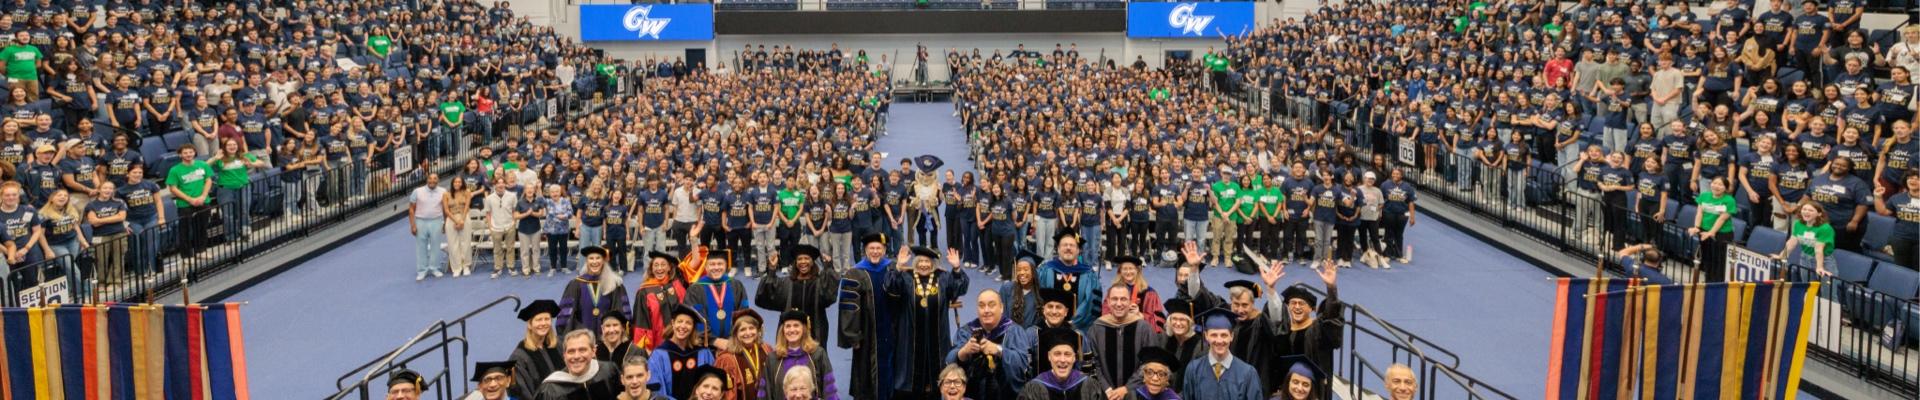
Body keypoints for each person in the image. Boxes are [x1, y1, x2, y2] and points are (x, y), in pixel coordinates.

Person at [1174, 241, 1290, 392]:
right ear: (1231, 301)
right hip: (1221, 382)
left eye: (1245, 305)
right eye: (1236, 304)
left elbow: (1277, 322)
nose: (1240, 309)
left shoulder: (1260, 323)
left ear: (1253, 303)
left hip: (1251, 384)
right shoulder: (1225, 313)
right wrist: (1194, 269)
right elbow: (1200, 296)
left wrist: (1271, 290)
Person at [884, 246, 972, 399]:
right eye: (920, 261)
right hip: (910, 336)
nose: (923, 264)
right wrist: (898, 266)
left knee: (937, 374)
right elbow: (891, 287)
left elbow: (961, 288)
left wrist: (957, 268)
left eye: (927, 261)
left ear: (933, 264)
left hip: (937, 336)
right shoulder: (906, 277)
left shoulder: (943, 278)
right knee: (909, 374)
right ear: (915, 262)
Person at [838, 233, 905, 400]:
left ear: (884, 250)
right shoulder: (854, 273)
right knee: (867, 371)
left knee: (892, 367)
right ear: (865, 250)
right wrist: (853, 337)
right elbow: (848, 308)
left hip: (892, 329)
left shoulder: (893, 268)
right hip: (866, 333)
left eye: (879, 248)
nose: (875, 252)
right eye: (871, 248)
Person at [947, 289, 1034, 400]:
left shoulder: (1014, 331)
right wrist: (964, 351)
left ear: (1001, 307)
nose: (986, 310)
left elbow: (1023, 365)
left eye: (991, 305)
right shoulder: (967, 331)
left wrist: (999, 350)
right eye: (981, 306)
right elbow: (949, 361)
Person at [755, 244, 840, 344]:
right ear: (795, 262)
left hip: (815, 332)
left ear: (812, 262)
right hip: (789, 333)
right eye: (799, 259)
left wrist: (828, 266)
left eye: (807, 258)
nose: (803, 262)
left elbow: (829, 296)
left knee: (814, 358)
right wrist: (772, 270)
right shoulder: (786, 283)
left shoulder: (819, 283)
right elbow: (766, 296)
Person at [1089, 283, 1166, 386]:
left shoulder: (1144, 328)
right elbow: (1094, 362)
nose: (1119, 304)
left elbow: (1150, 363)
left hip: (1136, 393)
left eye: (1123, 299)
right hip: (1105, 393)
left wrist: (1128, 388)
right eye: (1114, 299)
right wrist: (1106, 389)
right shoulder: (1097, 328)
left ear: (1130, 302)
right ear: (1108, 302)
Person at [1178, 308, 1261, 400]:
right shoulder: (1193, 370)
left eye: (1224, 335)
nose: (1219, 341)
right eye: (1214, 335)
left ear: (1231, 336)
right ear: (1206, 336)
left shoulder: (1247, 373)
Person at [684, 237, 751, 339]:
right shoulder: (695, 289)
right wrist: (712, 340)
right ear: (705, 267)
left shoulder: (736, 285)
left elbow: (743, 312)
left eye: (720, 264)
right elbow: (695, 317)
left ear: (726, 266)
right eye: (712, 264)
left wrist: (735, 338)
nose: (716, 268)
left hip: (733, 342)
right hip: (705, 344)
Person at [1018, 327, 1111, 400]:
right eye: (1057, 354)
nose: (1062, 360)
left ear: (1074, 357)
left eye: (1067, 354)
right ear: (1049, 356)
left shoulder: (1090, 386)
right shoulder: (1033, 389)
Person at [763, 310, 837, 400]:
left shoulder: (818, 354)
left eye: (796, 325)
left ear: (804, 329)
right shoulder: (773, 358)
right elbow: (765, 392)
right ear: (782, 330)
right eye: (788, 326)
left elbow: (829, 389)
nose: (792, 330)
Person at [1037, 232, 1102, 330]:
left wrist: (1075, 321)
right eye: (1064, 245)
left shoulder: (1088, 274)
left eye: (1072, 245)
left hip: (1078, 328)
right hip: (1049, 326)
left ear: (1078, 250)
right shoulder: (1046, 270)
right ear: (1058, 249)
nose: (1068, 248)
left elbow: (1091, 302)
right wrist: (1051, 319)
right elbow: (1038, 297)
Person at [648, 307, 716, 400]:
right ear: (673, 323)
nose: (683, 326)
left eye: (688, 323)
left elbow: (712, 382)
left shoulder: (703, 353)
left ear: (693, 328)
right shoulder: (659, 355)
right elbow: (656, 389)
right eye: (680, 321)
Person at [557, 246, 631, 333]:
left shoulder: (614, 284)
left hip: (608, 337)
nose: (594, 262)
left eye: (598, 258)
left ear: (603, 261)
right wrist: (581, 334)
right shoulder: (576, 284)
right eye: (591, 258)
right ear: (586, 261)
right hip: (582, 337)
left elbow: (621, 312)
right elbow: (567, 315)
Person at [537, 329, 623, 400]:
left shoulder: (608, 371)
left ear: (593, 351)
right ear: (564, 355)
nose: (576, 356)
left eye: (582, 350)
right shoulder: (551, 389)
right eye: (571, 351)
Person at [210, 138, 263, 243]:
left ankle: (245, 233)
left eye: (234, 144)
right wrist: (215, 158)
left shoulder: (244, 156)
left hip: (243, 186)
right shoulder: (220, 158)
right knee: (227, 214)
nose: (232, 147)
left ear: (238, 146)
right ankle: (231, 237)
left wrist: (251, 164)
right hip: (225, 189)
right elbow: (203, 167)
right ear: (224, 147)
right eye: (229, 145)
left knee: (244, 211)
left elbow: (261, 163)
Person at [166, 145, 214, 259]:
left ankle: (201, 251)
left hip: (203, 201)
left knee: (202, 228)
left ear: (194, 153)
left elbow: (208, 180)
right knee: (185, 231)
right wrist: (190, 199)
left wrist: (203, 196)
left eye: (191, 152)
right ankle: (187, 256)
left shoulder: (202, 165)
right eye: (185, 152)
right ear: (180, 155)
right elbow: (173, 188)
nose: (188, 154)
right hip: (185, 205)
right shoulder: (175, 170)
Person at [714, 309, 773, 400]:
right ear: (735, 333)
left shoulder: (767, 349)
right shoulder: (727, 359)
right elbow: (726, 394)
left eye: (751, 328)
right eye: (742, 330)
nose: (748, 333)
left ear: (758, 331)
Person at [509, 300, 563, 400]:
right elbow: (522, 392)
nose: (543, 323)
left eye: (547, 319)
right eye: (539, 320)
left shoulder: (559, 344)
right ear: (530, 324)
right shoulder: (519, 357)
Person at [1691, 177, 1738, 282]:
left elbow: (1722, 219)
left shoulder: (1729, 200)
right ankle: (1708, 281)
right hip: (1704, 231)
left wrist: (1711, 233)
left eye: (1720, 185)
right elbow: (1700, 213)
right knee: (1707, 259)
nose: (1716, 186)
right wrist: (1696, 227)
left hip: (1722, 234)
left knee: (1718, 262)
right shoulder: (1704, 196)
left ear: (1725, 188)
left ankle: (1716, 284)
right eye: (1714, 183)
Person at [86, 181, 129, 291]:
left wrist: (100, 220)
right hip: (100, 235)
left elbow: (121, 217)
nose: (108, 190)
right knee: (101, 260)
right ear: (99, 190)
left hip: (119, 233)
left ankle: (116, 282)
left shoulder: (119, 202)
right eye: (105, 188)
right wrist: (113, 218)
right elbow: (93, 222)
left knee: (118, 258)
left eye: (110, 188)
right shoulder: (91, 204)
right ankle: (101, 283)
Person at [1775, 201, 1837, 276]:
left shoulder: (1825, 228)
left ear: (1819, 214)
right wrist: (1782, 256)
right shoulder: (1798, 224)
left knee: (1827, 287)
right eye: (1804, 209)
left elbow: (1818, 249)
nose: (1806, 212)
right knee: (1807, 286)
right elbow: (1791, 242)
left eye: (1811, 210)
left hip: (1824, 260)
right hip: (1805, 258)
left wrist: (1819, 267)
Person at [1871, 173, 1920, 267]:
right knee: (1901, 268)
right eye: (1910, 178)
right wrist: (1877, 196)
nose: (1912, 181)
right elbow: (1883, 212)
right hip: (1901, 239)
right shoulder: (1898, 197)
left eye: (1917, 179)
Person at [486, 179, 520, 278]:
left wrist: (514, 223)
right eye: (498, 183)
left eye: (502, 182)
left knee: (510, 248)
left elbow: (514, 210)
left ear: (505, 184)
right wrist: (490, 226)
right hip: (495, 227)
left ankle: (511, 266)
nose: (501, 185)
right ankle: (498, 268)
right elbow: (488, 213)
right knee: (497, 249)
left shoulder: (512, 196)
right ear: (495, 185)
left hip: (510, 225)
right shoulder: (489, 198)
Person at [999, 251, 1043, 326]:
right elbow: (1001, 314)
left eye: (1026, 269)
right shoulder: (1006, 289)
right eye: (1018, 270)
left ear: (1033, 272)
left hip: (1028, 336)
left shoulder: (1039, 294)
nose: (1021, 273)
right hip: (1007, 333)